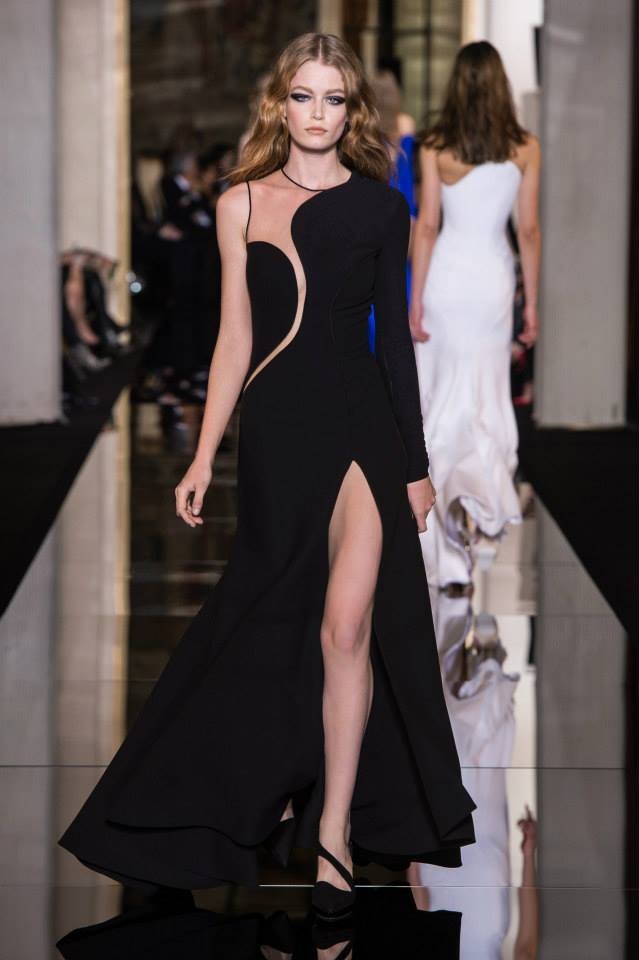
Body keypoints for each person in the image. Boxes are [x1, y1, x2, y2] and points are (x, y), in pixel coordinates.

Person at [58, 32, 475, 919]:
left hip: (363, 430)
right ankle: (255, 788)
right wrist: (203, 452)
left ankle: (335, 835)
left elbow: (393, 347)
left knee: (346, 626)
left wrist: (413, 465)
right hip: (281, 432)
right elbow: (234, 338)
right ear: (278, 104)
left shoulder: (378, 207)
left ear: (350, 111)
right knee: (269, 618)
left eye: (333, 98)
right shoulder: (239, 202)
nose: (317, 113)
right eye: (302, 96)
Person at [410, 41, 541, 589]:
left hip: (446, 280)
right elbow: (528, 230)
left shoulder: (436, 146)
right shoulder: (525, 148)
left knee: (440, 396)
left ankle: (438, 531)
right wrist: (533, 305)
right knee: (485, 395)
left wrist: (414, 298)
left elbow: (427, 227)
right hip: (491, 282)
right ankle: (479, 508)